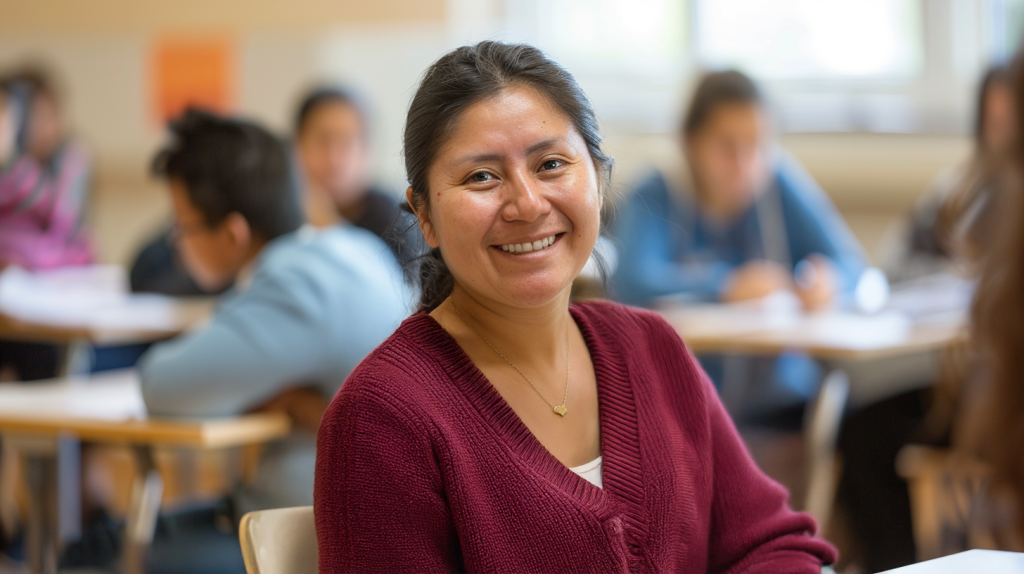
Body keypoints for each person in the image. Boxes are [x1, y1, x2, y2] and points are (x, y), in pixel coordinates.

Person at [314, 41, 836, 573]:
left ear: (599, 179)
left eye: (551, 164)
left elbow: (774, 544)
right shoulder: (381, 419)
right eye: (481, 177)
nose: (528, 203)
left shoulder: (652, 349)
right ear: (423, 215)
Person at [138, 109, 409, 516]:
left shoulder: (293, 288)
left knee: (98, 552)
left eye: (183, 224)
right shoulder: (356, 248)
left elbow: (161, 387)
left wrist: (259, 393)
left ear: (234, 234)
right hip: (359, 514)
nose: (177, 240)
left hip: (316, 533)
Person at [835, 64, 1018, 572]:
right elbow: (890, 268)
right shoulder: (959, 189)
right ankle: (896, 561)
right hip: (960, 378)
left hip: (995, 382)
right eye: (994, 117)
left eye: (1015, 119)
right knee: (864, 429)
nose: (1003, 133)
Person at [612, 70, 865, 309]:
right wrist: (725, 286)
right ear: (690, 142)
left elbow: (852, 264)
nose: (744, 164)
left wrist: (830, 280)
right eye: (726, 146)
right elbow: (630, 280)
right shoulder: (657, 193)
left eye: (757, 144)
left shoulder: (779, 184)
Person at [0, 67, 93, 381]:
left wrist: (13, 162)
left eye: (49, 115)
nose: (45, 125)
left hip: (56, 300)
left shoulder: (71, 155)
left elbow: (61, 216)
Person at [881, 65, 1013, 281]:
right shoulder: (955, 191)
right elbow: (893, 266)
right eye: (996, 125)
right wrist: (953, 275)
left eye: (1015, 126)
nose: (1007, 141)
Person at [294, 85, 425, 271]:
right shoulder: (281, 210)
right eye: (323, 140)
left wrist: (329, 226)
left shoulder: (392, 219)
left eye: (347, 141)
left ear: (366, 149)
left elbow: (401, 290)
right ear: (296, 144)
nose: (334, 159)